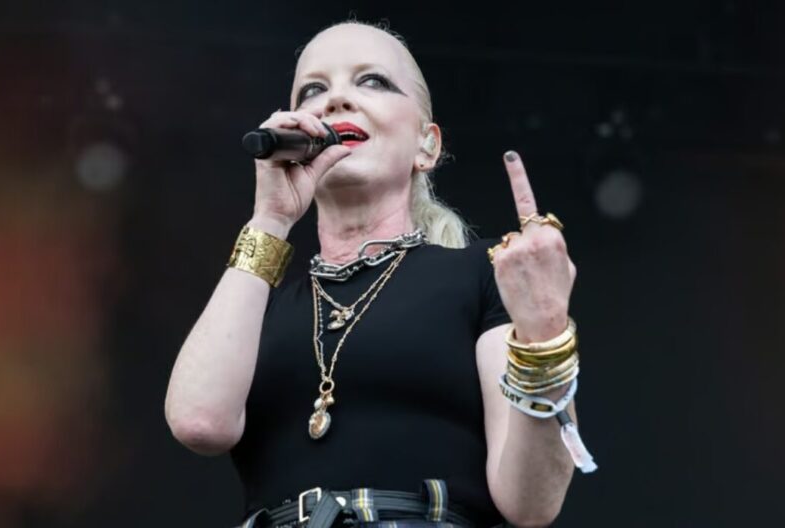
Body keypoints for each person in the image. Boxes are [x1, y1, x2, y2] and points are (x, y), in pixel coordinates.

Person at [165, 20, 594, 528]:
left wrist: (543, 336)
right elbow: (200, 422)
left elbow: (531, 504)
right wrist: (271, 218)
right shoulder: (257, 307)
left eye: (372, 81)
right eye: (313, 90)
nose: (336, 99)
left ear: (426, 146)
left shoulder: (484, 274)